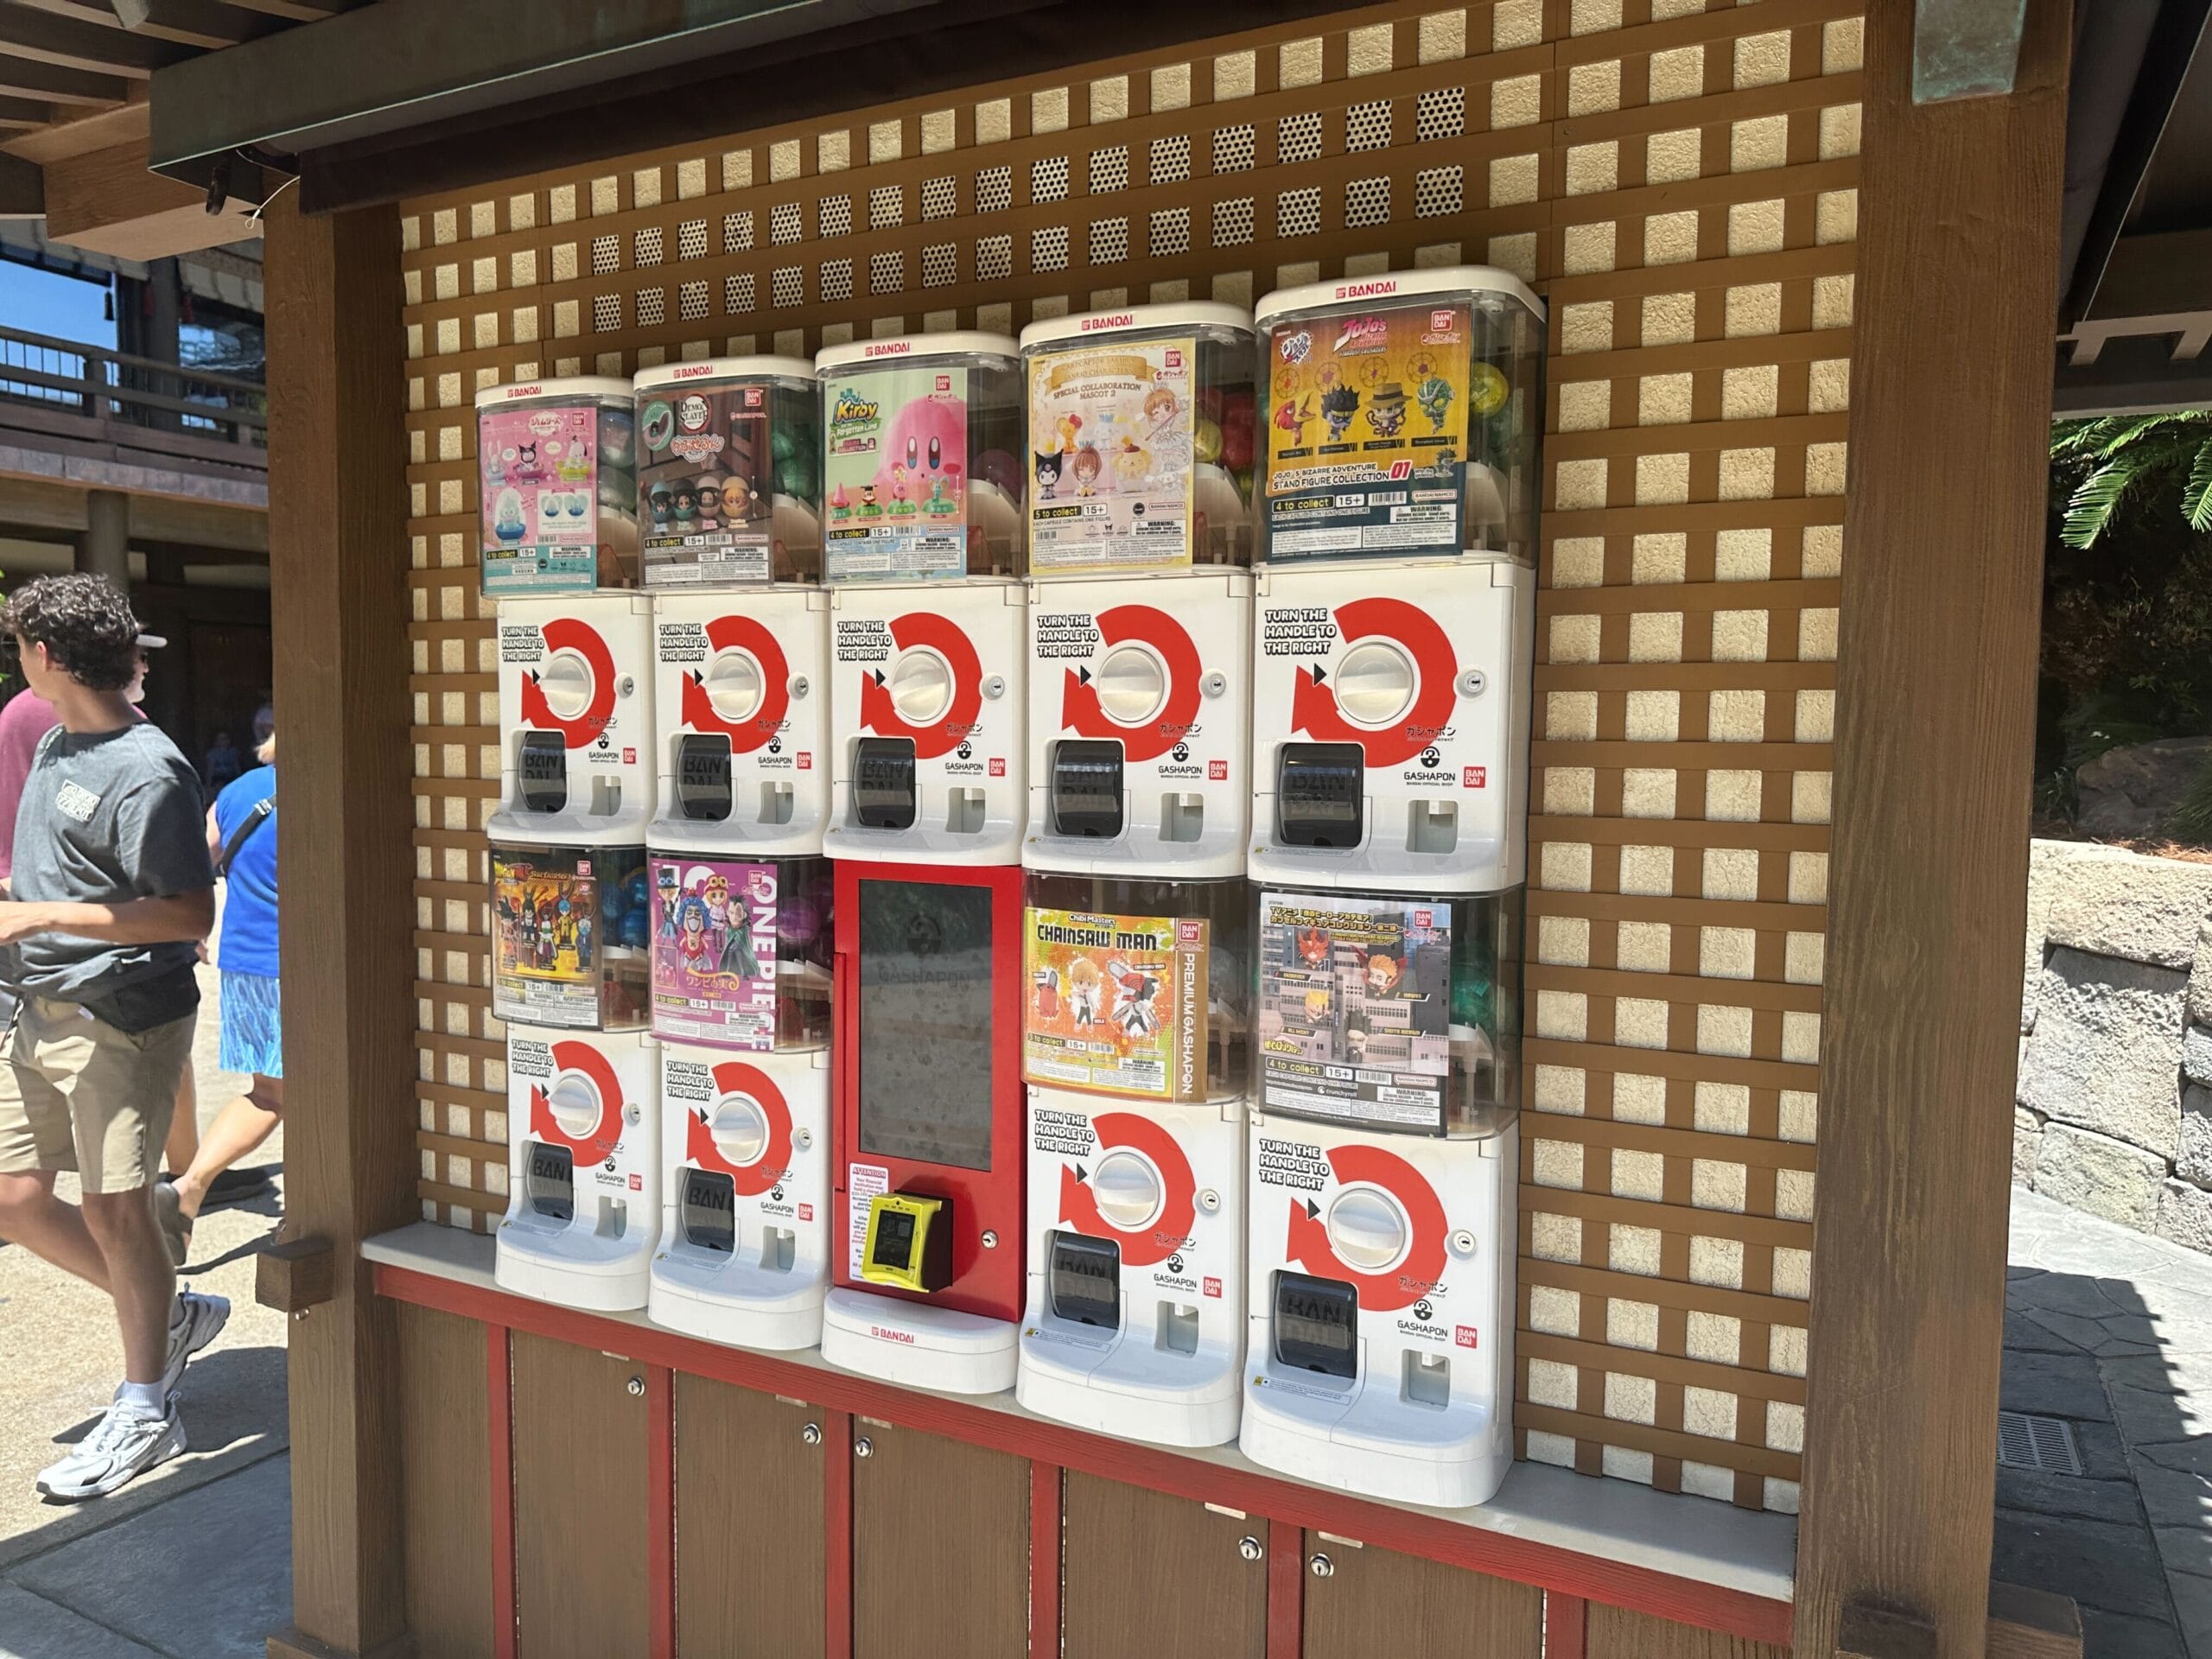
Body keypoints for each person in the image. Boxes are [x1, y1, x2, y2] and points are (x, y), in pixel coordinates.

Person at [0, 575, 227, 1502]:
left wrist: (39, 915)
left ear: (46, 656)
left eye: (21, 645)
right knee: (16, 1198)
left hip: (122, 1018)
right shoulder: (54, 740)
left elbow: (184, 914)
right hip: (39, 1006)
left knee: (115, 1209)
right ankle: (167, 1316)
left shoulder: (150, 768)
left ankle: (146, 1406)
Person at [156, 730, 280, 1265]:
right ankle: (191, 1187)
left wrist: (190, 930)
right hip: (299, 962)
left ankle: (187, 1187)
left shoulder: (237, 792)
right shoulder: (325, 789)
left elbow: (192, 863)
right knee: (303, 1093)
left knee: (269, 1093)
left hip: (243, 961)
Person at [203, 731, 242, 796]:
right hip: (218, 778)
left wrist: (240, 779)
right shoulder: (212, 753)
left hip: (231, 776)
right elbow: (210, 769)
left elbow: (236, 766)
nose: (224, 741)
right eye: (221, 739)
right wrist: (208, 784)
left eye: (226, 738)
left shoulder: (233, 751)